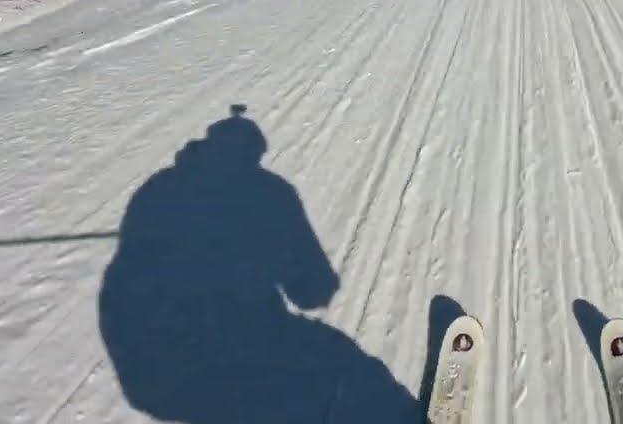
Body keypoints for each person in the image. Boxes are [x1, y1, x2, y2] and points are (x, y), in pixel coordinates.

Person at [99, 106, 417, 423]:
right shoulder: (271, 194)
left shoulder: (157, 188)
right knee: (344, 366)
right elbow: (310, 292)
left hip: (144, 371)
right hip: (229, 366)